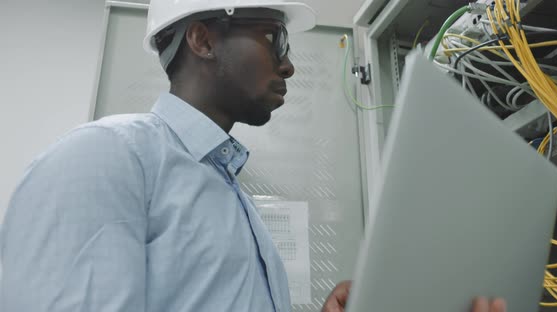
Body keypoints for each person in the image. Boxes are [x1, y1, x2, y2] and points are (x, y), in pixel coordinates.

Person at [0, 0, 507, 311]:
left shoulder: (234, 199)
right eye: (273, 38)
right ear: (202, 39)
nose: (287, 65)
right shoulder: (107, 157)